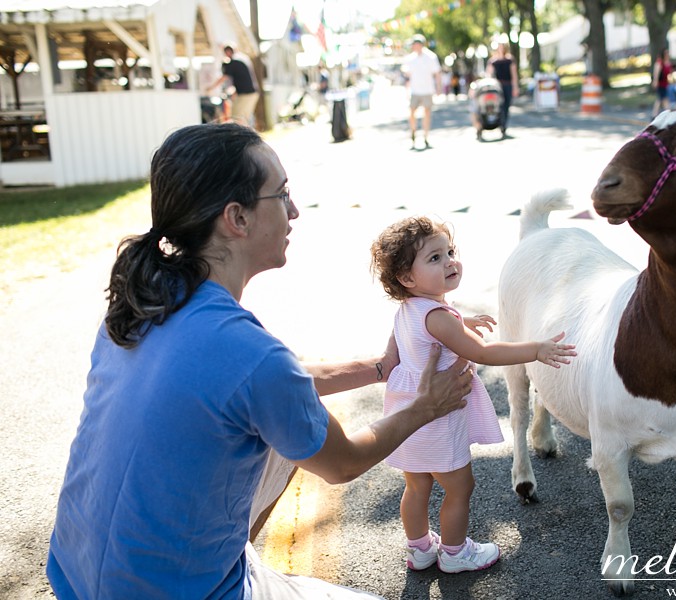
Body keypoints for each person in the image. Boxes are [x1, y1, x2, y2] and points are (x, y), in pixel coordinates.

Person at [46, 122, 475, 599]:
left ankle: (234, 558)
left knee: (290, 427)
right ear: (238, 218)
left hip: (77, 575)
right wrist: (425, 406)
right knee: (305, 435)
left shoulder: (142, 304)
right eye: (282, 194)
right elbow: (344, 462)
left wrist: (379, 367)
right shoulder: (251, 356)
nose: (294, 211)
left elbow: (277, 382)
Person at [369, 216, 577, 574]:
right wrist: (535, 350)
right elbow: (484, 353)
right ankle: (454, 552)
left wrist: (461, 323)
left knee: (417, 484)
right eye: (434, 258)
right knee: (460, 486)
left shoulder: (409, 310)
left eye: (449, 252)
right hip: (438, 415)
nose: (450, 261)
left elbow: (428, 331)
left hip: (408, 413)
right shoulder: (439, 316)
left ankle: (419, 549)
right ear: (407, 278)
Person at [402, 34, 442, 149]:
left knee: (427, 114)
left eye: (416, 44)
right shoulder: (410, 59)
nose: (414, 46)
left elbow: (437, 74)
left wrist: (439, 87)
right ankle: (413, 132)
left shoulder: (431, 57)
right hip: (415, 91)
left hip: (427, 90)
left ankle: (425, 136)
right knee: (412, 113)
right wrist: (407, 90)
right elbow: (407, 77)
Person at [210, 45, 260, 127]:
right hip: (246, 94)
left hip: (248, 94)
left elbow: (224, 78)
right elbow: (241, 80)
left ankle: (243, 136)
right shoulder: (238, 62)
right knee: (236, 116)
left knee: (239, 117)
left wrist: (211, 88)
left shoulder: (233, 63)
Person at [486, 43, 519, 137]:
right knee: (498, 106)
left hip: (507, 85)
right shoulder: (493, 61)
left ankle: (504, 125)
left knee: (506, 106)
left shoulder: (510, 60)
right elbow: (488, 74)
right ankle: (499, 123)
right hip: (496, 87)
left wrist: (515, 87)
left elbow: (514, 74)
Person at [652, 49, 675, 115]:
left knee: (659, 99)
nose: (667, 55)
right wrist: (655, 81)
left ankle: (654, 114)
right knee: (664, 99)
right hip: (660, 83)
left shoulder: (668, 63)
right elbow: (656, 72)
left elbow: (670, 73)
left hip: (665, 83)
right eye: (666, 53)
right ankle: (668, 113)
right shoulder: (660, 62)